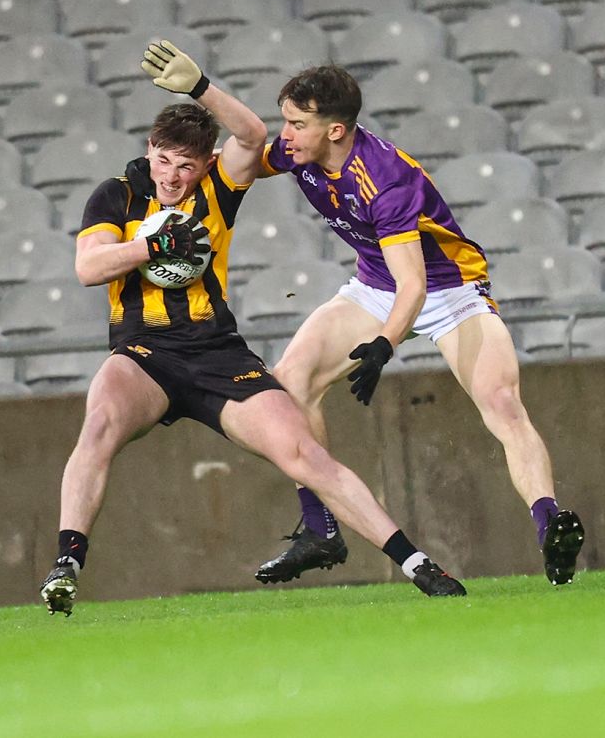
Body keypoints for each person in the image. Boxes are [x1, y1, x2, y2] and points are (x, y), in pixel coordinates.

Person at [39, 43, 467, 616]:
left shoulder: (219, 185)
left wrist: (200, 87)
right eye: (165, 161)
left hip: (218, 353)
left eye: (187, 166)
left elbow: (249, 135)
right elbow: (89, 268)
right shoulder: (116, 194)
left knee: (304, 454)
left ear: (204, 163)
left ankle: (418, 564)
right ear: (150, 151)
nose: (173, 176)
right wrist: (150, 245)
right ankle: (67, 565)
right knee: (99, 425)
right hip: (145, 353)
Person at [139, 49, 586, 587]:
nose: (287, 134)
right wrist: (186, 136)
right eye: (286, 121)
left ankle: (549, 525)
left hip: (450, 290)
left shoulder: (384, 180)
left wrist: (383, 347)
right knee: (292, 378)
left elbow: (415, 285)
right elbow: (241, 154)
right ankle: (320, 527)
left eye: (298, 124)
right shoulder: (298, 150)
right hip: (375, 286)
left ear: (334, 130)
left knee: (501, 404)